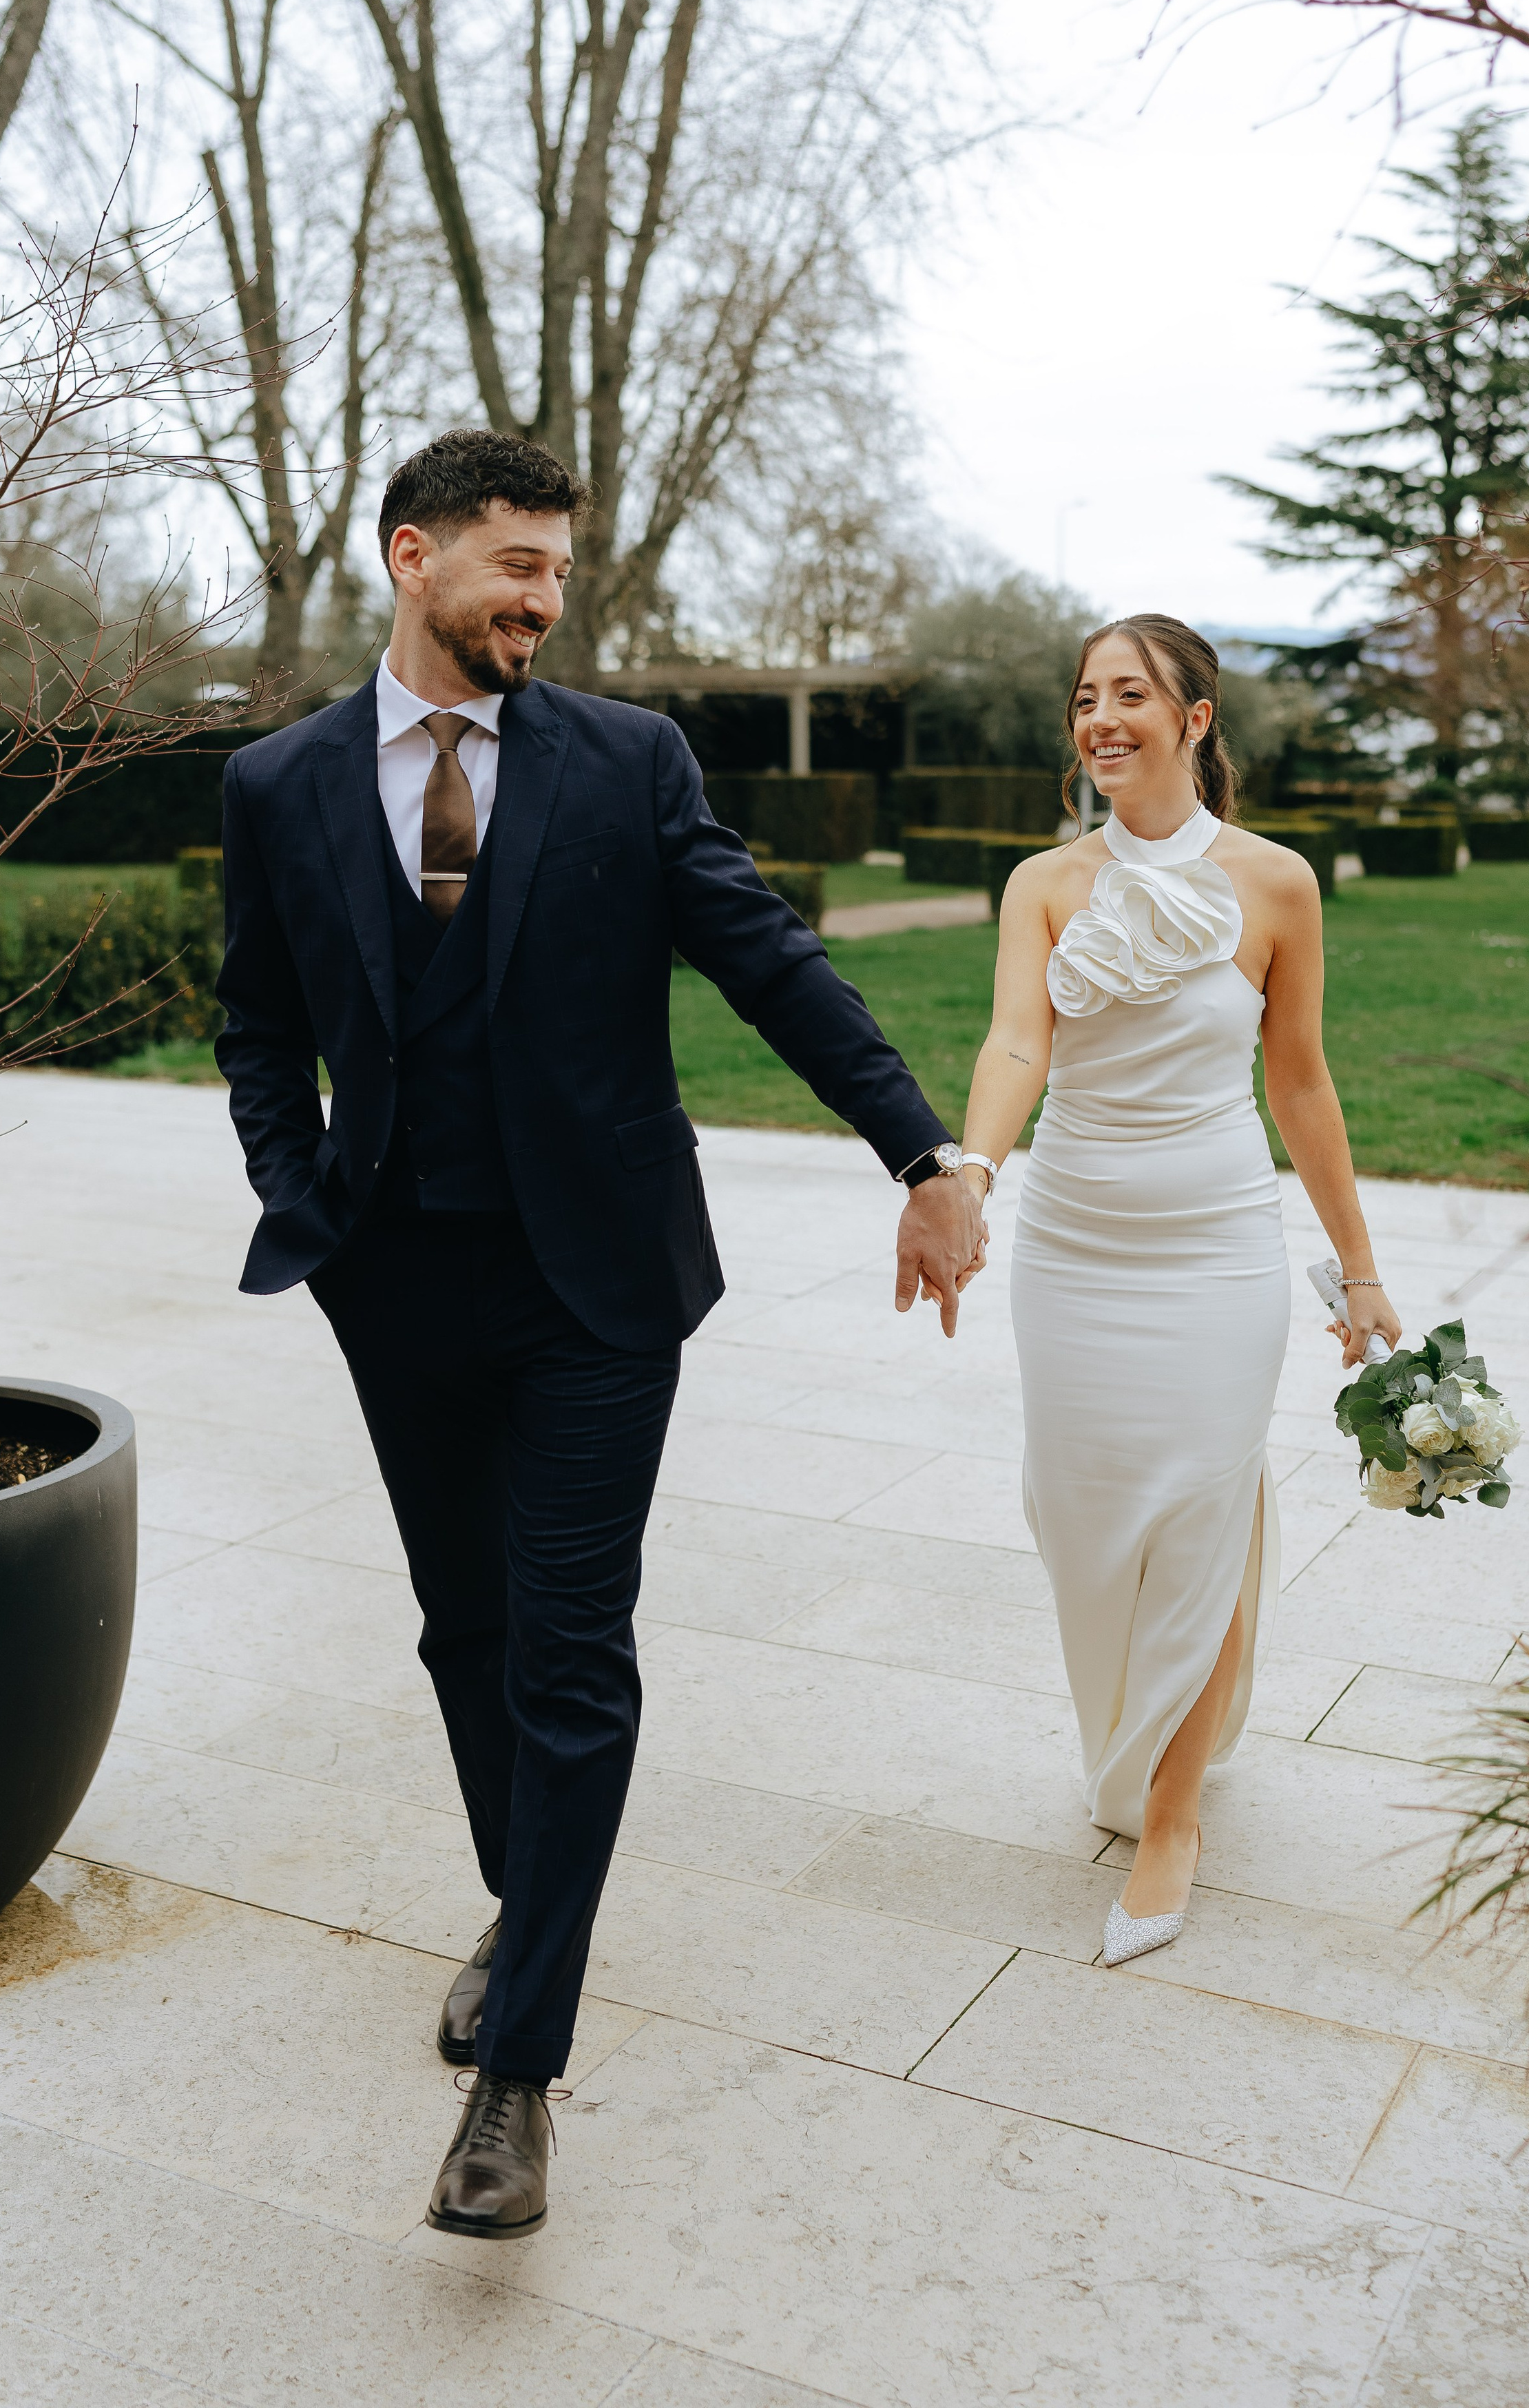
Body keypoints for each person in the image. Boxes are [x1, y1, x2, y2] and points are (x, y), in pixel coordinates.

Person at [215, 430, 985, 2237]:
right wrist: (299, 1183)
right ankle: (526, 1898)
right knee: (462, 1631)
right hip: (394, 1275)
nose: (546, 604)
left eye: (561, 572)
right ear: (412, 556)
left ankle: (518, 2080)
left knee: (571, 1653)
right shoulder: (277, 780)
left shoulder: (628, 766)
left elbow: (769, 958)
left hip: (599, 1289)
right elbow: (253, 1013)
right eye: (515, 569)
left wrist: (921, 1148)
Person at [957, 614, 1400, 1967]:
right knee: (1079, 1517)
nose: (1102, 720)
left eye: (1131, 695)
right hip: (1072, 1250)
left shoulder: (1275, 886)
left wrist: (1360, 1270)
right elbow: (1017, 1039)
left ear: (1195, 717)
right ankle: (1136, 1736)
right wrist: (966, 1175)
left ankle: (1171, 1809)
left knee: (1204, 1505)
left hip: (1214, 1246)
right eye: (1084, 697)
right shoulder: (1041, 884)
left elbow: (1300, 1081)